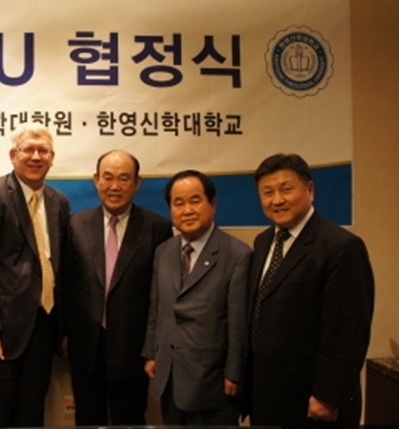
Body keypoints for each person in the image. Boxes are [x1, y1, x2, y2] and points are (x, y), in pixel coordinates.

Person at [247, 153, 374, 429]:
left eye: (286, 189)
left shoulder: (341, 247)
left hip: (313, 400)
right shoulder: (263, 242)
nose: (277, 200)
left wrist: (328, 395)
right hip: (268, 394)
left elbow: (348, 331)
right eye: (267, 192)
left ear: (310, 190)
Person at [0, 122, 70, 428]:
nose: (36, 156)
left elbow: (58, 267)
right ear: (13, 155)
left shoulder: (59, 203)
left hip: (41, 333)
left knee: (29, 420)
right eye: (28, 149)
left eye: (43, 151)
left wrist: (62, 329)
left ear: (52, 158)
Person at [64, 150, 172, 425]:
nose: (114, 186)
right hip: (86, 346)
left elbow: (160, 295)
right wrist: (63, 335)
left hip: (133, 348)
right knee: (88, 420)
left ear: (137, 183)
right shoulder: (75, 224)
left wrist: (153, 346)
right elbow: (65, 285)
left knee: (130, 419)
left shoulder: (157, 228)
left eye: (124, 178)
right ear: (96, 180)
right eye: (108, 177)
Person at [142, 170, 251, 426]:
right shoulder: (163, 251)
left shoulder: (237, 255)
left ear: (213, 204)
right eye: (178, 203)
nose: (187, 210)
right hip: (169, 374)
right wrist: (151, 353)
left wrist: (235, 373)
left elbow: (238, 323)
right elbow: (157, 307)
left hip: (212, 382)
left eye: (195, 200)